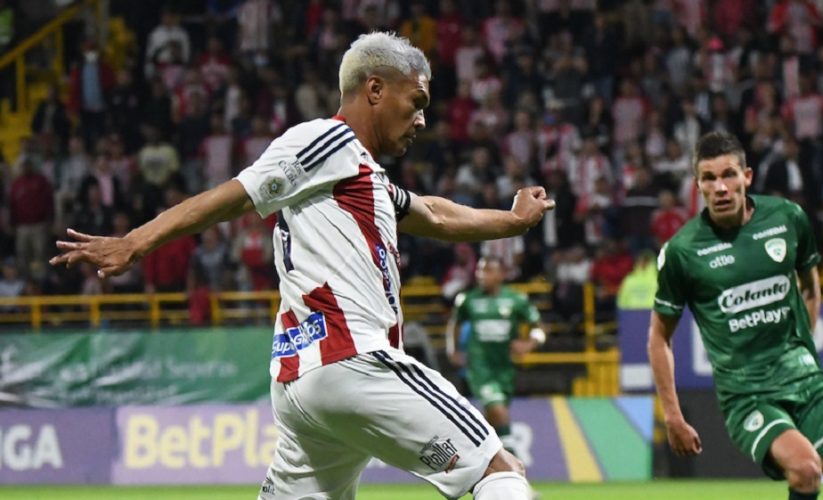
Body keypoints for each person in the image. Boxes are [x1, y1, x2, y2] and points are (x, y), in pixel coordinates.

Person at [50, 32, 553, 500]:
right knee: (499, 469)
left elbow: (434, 214)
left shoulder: (363, 174)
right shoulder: (327, 142)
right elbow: (236, 195)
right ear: (374, 89)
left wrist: (511, 221)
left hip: (302, 381)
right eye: (416, 102)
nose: (422, 119)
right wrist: (135, 243)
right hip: (350, 357)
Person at [648, 131, 823, 500]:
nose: (720, 187)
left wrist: (801, 348)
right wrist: (672, 415)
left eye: (728, 175)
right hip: (748, 393)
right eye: (709, 178)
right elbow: (659, 337)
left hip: (805, 381)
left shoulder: (788, 218)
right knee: (805, 469)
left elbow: (810, 288)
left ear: (747, 177)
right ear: (698, 185)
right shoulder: (683, 252)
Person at [446, 256, 546, 458]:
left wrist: (530, 343)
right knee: (499, 411)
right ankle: (517, 477)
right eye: (480, 271)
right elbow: (454, 324)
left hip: (505, 367)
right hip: (479, 367)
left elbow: (540, 328)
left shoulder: (516, 300)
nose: (482, 275)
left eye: (489, 270)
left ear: (502, 274)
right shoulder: (468, 299)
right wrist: (453, 350)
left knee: (493, 420)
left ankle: (480, 464)